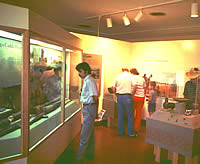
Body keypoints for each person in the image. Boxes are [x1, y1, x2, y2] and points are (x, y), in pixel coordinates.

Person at [76, 62, 98, 163]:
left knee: (84, 135)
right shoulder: (87, 80)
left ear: (85, 71)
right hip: (88, 108)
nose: (79, 74)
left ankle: (79, 158)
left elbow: (95, 97)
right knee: (90, 133)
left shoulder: (89, 81)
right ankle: (90, 154)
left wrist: (95, 111)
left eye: (80, 71)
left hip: (89, 108)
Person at [112, 68, 135, 137]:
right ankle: (130, 133)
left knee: (120, 115)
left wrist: (116, 94)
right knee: (130, 115)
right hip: (128, 96)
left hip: (119, 96)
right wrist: (132, 94)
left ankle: (120, 132)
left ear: (122, 70)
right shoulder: (131, 76)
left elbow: (113, 87)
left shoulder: (118, 76)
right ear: (127, 70)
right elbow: (135, 85)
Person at [130, 68, 146, 137]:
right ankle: (136, 129)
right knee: (138, 114)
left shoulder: (132, 78)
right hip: (141, 97)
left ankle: (130, 128)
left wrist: (132, 95)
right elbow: (145, 88)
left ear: (132, 73)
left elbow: (132, 88)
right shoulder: (142, 79)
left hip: (134, 97)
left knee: (131, 113)